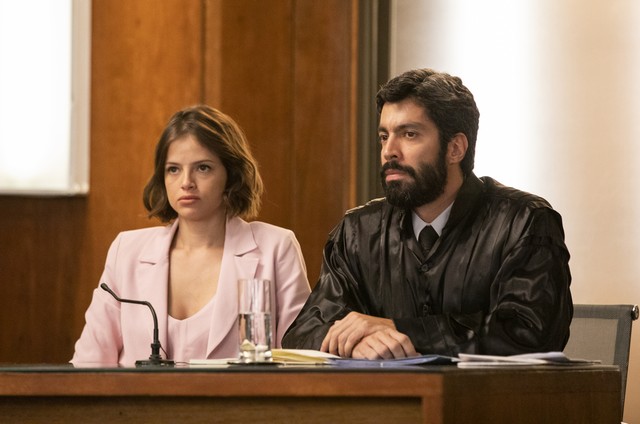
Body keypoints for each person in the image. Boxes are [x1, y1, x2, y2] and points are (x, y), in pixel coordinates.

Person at [282, 68, 572, 360]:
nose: (389, 152)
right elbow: (303, 332)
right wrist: (356, 342)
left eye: (409, 134)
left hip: (491, 403)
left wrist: (398, 329)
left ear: (455, 148)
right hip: (386, 404)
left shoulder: (525, 222)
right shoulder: (357, 231)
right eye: (384, 136)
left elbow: (529, 333)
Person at [72, 105, 311, 365]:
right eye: (173, 169)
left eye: (203, 168)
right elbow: (89, 362)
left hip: (239, 405)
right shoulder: (126, 250)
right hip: (135, 406)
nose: (186, 182)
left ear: (231, 175)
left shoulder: (276, 248)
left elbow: (298, 361)